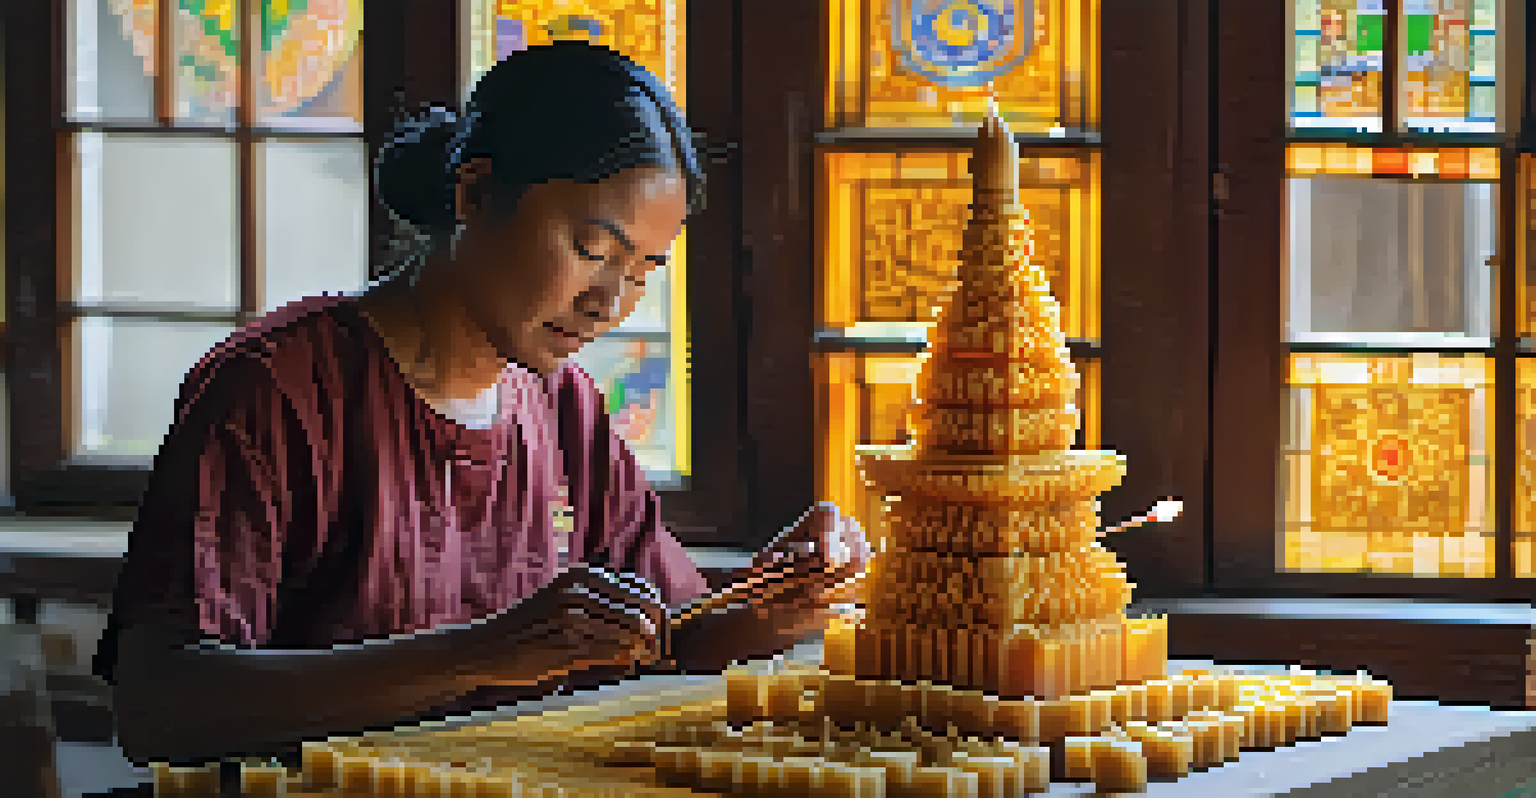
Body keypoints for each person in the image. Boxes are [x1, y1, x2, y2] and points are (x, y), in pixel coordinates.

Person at [97, 41, 872, 766]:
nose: (611, 302)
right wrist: (481, 654)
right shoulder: (275, 391)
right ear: (473, 191)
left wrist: (782, 601)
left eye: (643, 271)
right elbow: (162, 705)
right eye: (593, 251)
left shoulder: (565, 409)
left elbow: (670, 636)